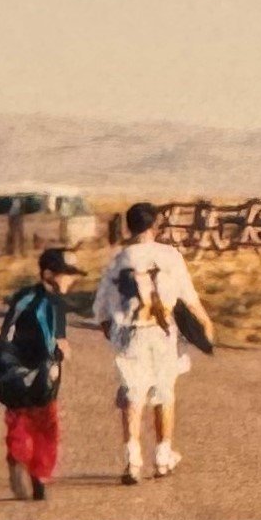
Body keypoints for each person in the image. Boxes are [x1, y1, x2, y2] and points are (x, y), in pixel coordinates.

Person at [94, 200, 207, 485]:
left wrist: (113, 333)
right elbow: (189, 297)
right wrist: (205, 323)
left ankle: (133, 461)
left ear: (129, 227)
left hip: (131, 334)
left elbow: (101, 309)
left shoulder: (119, 261)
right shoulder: (169, 256)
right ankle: (162, 456)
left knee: (133, 394)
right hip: (163, 332)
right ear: (155, 225)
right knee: (164, 392)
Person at [0, 246, 78, 501]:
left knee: (19, 421)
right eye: (66, 274)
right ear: (49, 274)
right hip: (43, 373)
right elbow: (58, 341)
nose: (71, 280)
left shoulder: (23, 297)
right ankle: (40, 473)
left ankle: (19, 461)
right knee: (46, 425)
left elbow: (7, 330)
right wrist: (63, 350)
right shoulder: (54, 303)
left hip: (14, 371)